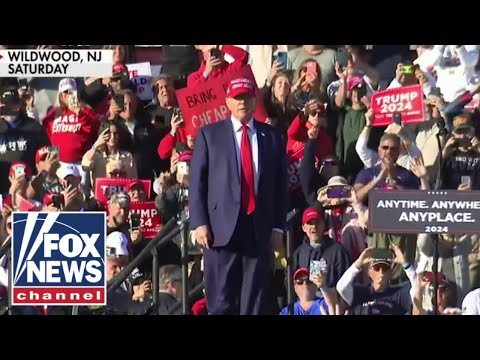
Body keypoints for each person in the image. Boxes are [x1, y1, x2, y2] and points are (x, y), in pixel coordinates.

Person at [189, 77, 287, 315]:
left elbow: (279, 185)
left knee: (253, 303)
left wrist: (277, 228)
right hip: (220, 230)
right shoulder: (209, 135)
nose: (243, 102)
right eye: (238, 97)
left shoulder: (272, 137)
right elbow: (197, 182)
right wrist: (199, 222)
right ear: (228, 102)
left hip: (257, 228)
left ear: (255, 100)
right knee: (221, 302)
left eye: (247, 97)